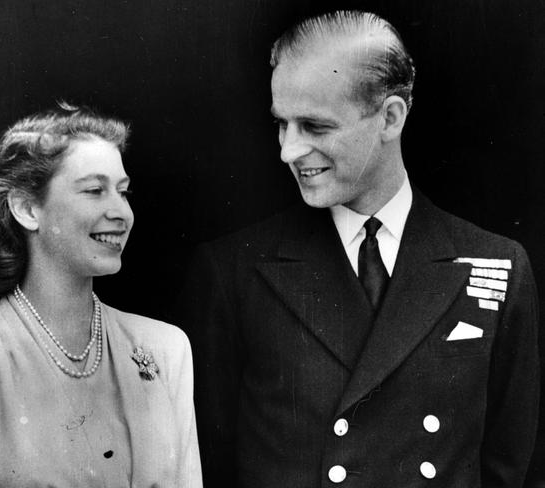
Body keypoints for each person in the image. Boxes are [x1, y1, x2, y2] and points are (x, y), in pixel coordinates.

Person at [179, 10, 540, 488]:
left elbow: (514, 467)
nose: (289, 150)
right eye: (281, 124)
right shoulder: (234, 271)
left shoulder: (498, 264)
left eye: (314, 126)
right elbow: (208, 467)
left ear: (390, 117)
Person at [0, 103, 202, 487]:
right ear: (26, 209)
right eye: (94, 190)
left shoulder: (165, 349)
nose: (121, 212)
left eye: (123, 192)